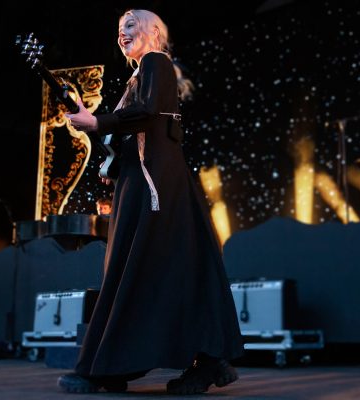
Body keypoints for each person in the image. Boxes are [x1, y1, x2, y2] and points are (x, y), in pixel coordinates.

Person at [58, 9, 244, 395]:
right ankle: (201, 358)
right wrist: (104, 140)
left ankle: (116, 366)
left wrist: (97, 122)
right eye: (119, 29)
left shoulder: (156, 62)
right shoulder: (140, 75)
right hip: (144, 180)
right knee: (162, 266)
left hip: (154, 183)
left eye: (130, 25)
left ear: (154, 32)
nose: (122, 33)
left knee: (142, 265)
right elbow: (135, 126)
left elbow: (145, 115)